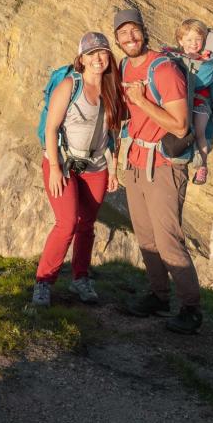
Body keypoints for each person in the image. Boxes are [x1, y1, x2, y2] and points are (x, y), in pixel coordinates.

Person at [114, 8, 203, 334]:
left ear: (143, 31)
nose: (130, 38)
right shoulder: (125, 66)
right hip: (136, 162)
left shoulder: (164, 70)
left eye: (134, 31)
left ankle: (191, 309)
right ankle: (158, 295)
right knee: (147, 237)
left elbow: (180, 126)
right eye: (123, 34)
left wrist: (140, 101)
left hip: (164, 165)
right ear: (118, 40)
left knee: (168, 240)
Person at [32, 31, 124, 308]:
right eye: (92, 54)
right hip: (64, 164)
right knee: (67, 223)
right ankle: (43, 282)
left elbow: (115, 132)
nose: (98, 58)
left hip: (96, 166)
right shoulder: (70, 86)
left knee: (87, 225)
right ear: (81, 59)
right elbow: (51, 128)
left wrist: (115, 167)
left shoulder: (112, 87)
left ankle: (80, 278)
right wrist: (56, 169)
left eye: (103, 52)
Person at [172, 18, 213, 185]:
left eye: (198, 39)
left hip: (200, 103)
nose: (194, 43)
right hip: (182, 100)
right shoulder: (176, 56)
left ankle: (202, 166)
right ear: (180, 41)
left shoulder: (206, 59)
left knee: (200, 133)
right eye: (189, 40)